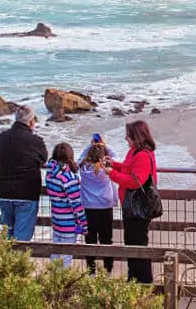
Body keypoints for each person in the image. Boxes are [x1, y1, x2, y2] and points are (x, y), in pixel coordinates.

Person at [104, 120, 158, 283]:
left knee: (137, 244)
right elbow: (129, 169)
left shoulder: (142, 154)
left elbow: (135, 181)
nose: (126, 139)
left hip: (138, 208)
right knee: (133, 242)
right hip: (131, 206)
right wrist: (114, 165)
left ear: (136, 137)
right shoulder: (134, 152)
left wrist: (111, 173)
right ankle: (134, 278)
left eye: (128, 136)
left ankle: (142, 281)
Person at [0, 105, 48, 241]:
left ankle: (6, 262)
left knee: (7, 235)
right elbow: (43, 159)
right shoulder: (36, 141)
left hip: (4, 192)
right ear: (31, 122)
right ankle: (17, 262)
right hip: (26, 193)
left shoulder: (2, 138)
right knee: (21, 239)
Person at [78, 134, 118, 274]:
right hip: (105, 207)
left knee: (90, 239)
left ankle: (91, 271)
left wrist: (92, 146)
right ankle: (108, 270)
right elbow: (115, 157)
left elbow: (79, 158)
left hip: (89, 207)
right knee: (106, 239)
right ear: (103, 156)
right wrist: (103, 145)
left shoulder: (83, 168)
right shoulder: (105, 170)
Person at [45, 142, 87, 268]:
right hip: (68, 223)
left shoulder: (50, 174)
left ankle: (54, 280)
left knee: (56, 253)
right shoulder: (68, 178)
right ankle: (63, 284)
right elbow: (76, 205)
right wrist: (84, 224)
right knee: (66, 257)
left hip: (56, 220)